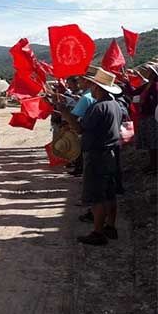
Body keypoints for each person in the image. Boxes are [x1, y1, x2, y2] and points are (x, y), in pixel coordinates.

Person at [75, 68, 123, 246]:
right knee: (109, 193)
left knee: (97, 196)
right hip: (111, 153)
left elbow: (80, 129)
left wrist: (64, 111)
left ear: (97, 87)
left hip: (98, 155)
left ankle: (98, 233)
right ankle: (110, 226)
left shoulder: (97, 107)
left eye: (93, 86)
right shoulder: (115, 105)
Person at [131, 63, 158, 174]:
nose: (145, 71)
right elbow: (133, 92)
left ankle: (155, 166)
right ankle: (152, 165)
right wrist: (126, 82)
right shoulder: (148, 85)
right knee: (151, 143)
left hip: (153, 118)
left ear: (152, 73)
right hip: (147, 117)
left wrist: (144, 103)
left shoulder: (155, 86)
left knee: (154, 143)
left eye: (147, 70)